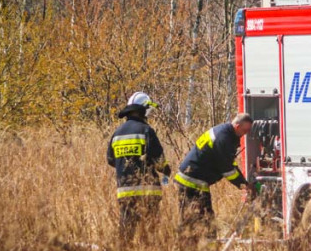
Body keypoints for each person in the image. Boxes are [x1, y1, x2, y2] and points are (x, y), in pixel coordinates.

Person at [175, 113, 254, 237]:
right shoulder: (223, 138)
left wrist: (244, 182)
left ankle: (191, 249)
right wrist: (244, 186)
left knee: (192, 221)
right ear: (237, 126)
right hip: (192, 183)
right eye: (245, 130)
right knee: (205, 222)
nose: (246, 133)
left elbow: (230, 163)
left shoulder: (225, 133)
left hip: (193, 181)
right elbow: (227, 170)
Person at [106, 92, 171, 240]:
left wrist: (126, 165)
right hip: (147, 191)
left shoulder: (117, 133)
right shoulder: (146, 130)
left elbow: (110, 159)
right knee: (149, 233)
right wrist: (166, 169)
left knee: (126, 233)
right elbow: (159, 160)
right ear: (144, 110)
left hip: (124, 191)